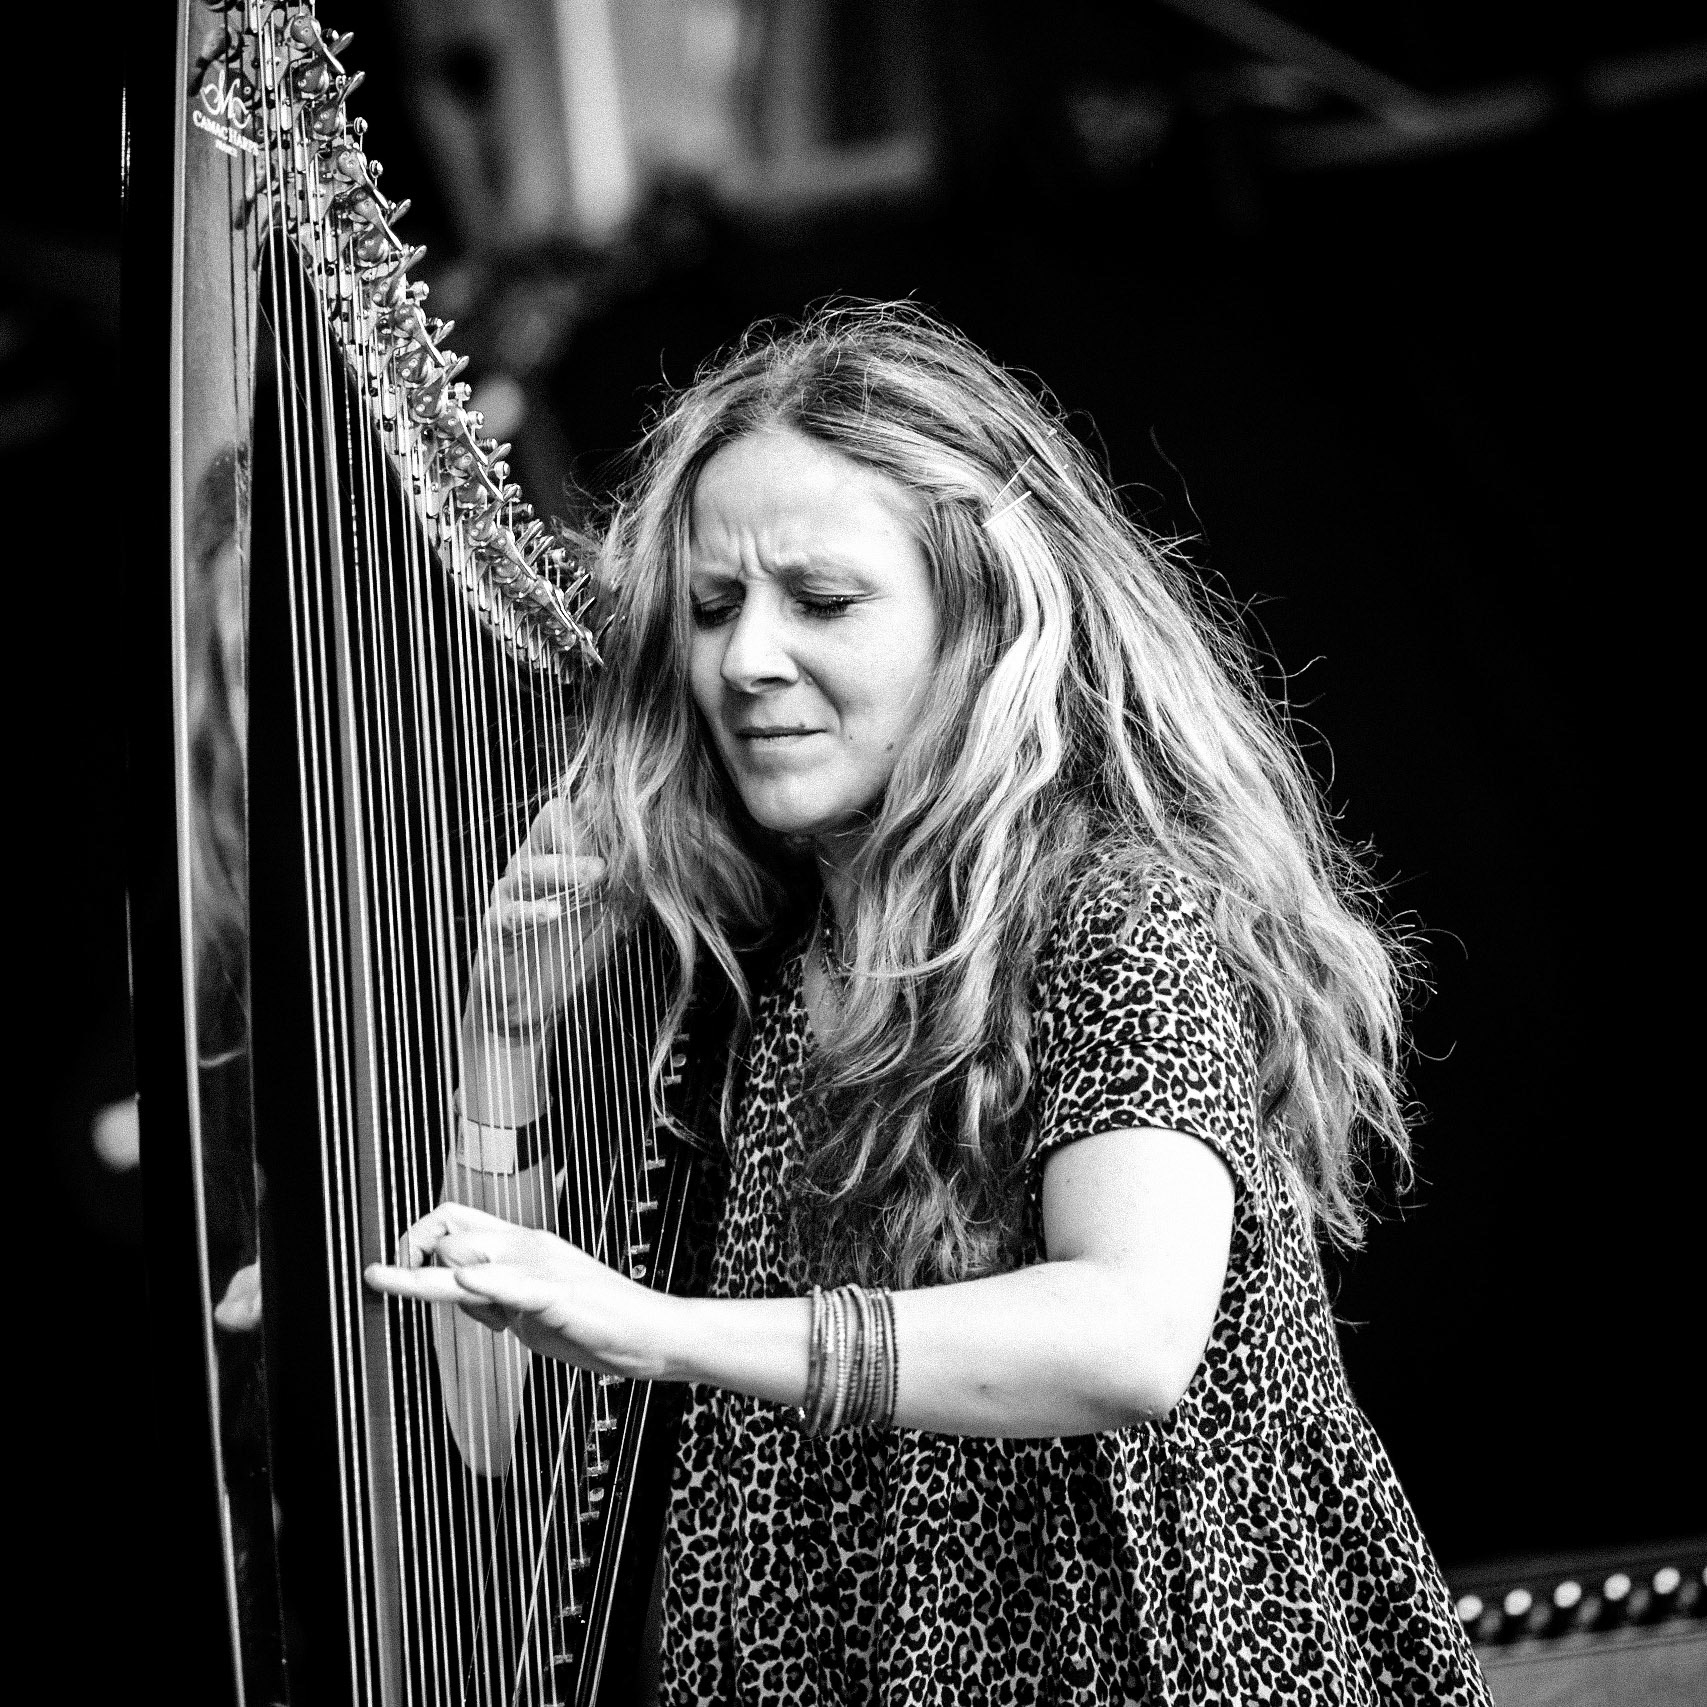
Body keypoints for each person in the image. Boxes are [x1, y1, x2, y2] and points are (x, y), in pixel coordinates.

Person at [367, 303, 1493, 1705]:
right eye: (714, 607)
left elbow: (1124, 1339)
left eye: (821, 602)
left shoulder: (1110, 913)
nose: (746, 661)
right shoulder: (740, 984)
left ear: (981, 613)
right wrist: (506, 1048)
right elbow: (495, 1439)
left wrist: (654, 1324)